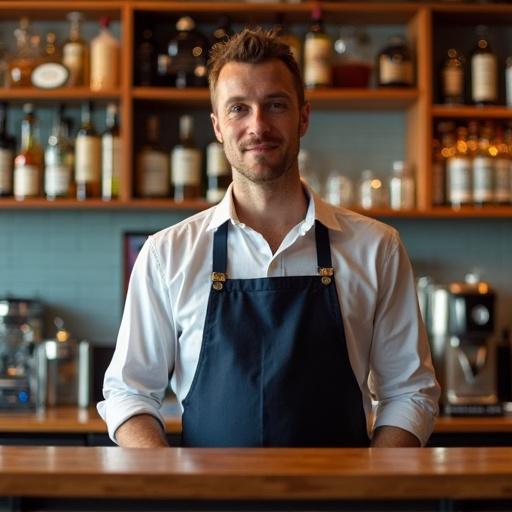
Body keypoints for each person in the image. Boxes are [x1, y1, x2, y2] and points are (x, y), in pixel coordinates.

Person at [98, 27, 439, 448]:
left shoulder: (377, 248)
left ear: (303, 117)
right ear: (218, 127)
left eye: (275, 105)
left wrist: (371, 489)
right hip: (208, 502)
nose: (257, 125)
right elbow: (129, 393)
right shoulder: (167, 254)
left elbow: (409, 392)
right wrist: (170, 485)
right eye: (238, 108)